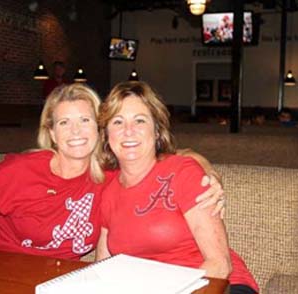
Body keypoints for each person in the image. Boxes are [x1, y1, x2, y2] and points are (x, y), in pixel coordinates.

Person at [0, 83, 224, 261]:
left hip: (39, 277)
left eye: (85, 120)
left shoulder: (112, 175)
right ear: (52, 133)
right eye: (63, 123)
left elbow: (167, 158)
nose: (75, 132)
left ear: (100, 129)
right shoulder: (18, 172)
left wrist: (207, 167)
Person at [96, 81, 258, 293]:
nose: (129, 131)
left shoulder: (183, 172)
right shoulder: (108, 189)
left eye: (140, 120)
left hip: (218, 285)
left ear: (156, 131)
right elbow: (102, 266)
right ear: (107, 135)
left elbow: (219, 264)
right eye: (118, 122)